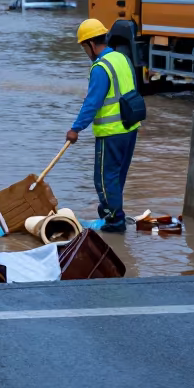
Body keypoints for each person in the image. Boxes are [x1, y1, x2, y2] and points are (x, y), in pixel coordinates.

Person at [65, 19, 140, 232]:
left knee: (104, 180)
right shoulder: (122, 58)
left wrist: (75, 129)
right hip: (130, 128)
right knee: (117, 178)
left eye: (83, 47)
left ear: (90, 44)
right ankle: (111, 215)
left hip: (112, 132)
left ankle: (114, 222)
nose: (85, 52)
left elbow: (92, 103)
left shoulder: (100, 68)